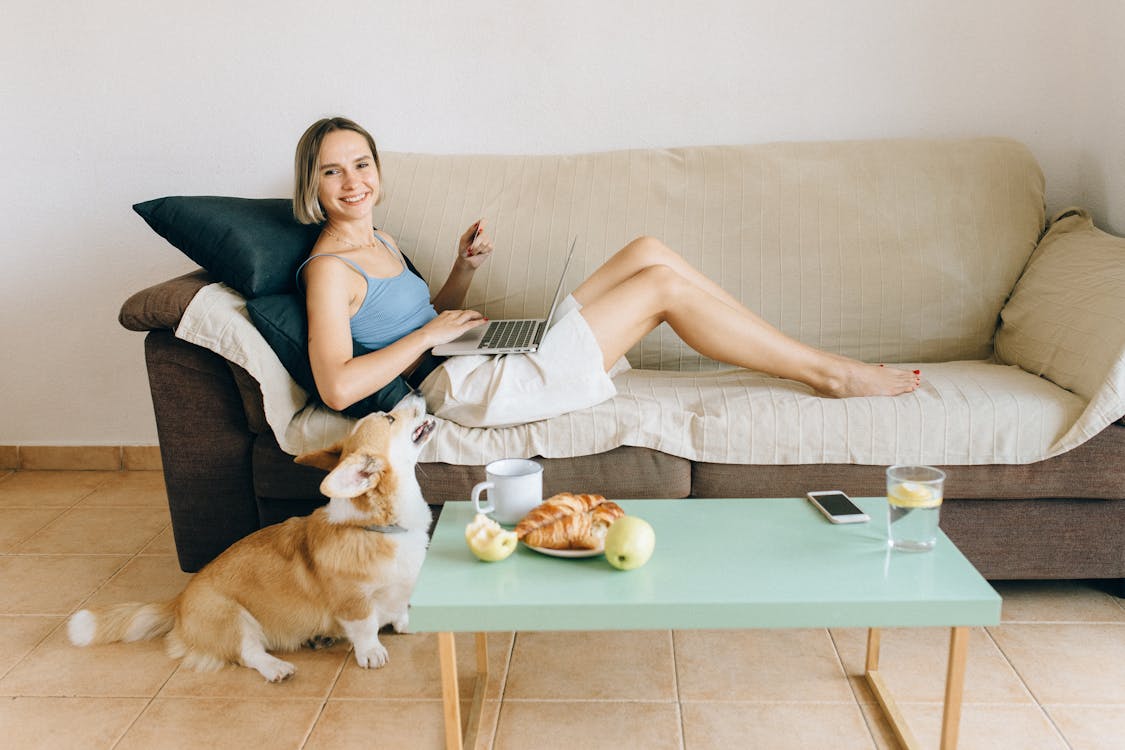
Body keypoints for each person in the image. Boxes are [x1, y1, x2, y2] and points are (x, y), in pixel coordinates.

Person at [293, 117, 920, 427]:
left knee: (648, 249)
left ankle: (797, 352)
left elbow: (428, 315)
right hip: (457, 389)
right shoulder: (328, 270)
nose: (353, 182)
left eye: (362, 163)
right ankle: (830, 375)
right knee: (661, 289)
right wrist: (429, 339)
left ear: (378, 169)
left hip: (475, 354)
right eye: (333, 171)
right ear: (312, 185)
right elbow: (339, 389)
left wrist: (462, 270)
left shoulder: (384, 238)